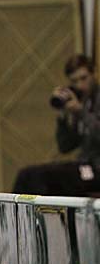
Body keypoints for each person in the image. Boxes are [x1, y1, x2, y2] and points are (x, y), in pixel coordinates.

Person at [13, 54, 100, 195]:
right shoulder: (81, 102)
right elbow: (65, 147)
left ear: (94, 73)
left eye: (84, 78)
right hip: (83, 166)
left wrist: (80, 112)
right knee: (26, 176)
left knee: (42, 177)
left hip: (96, 168)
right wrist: (63, 117)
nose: (80, 85)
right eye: (74, 81)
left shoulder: (89, 104)